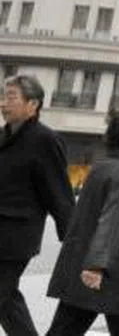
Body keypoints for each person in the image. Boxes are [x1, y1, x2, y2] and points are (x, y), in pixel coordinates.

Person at [45, 104, 119, 335]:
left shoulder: (101, 167)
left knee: (64, 329)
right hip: (116, 274)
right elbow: (114, 218)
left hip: (85, 269)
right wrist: (96, 265)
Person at [0, 75, 75, 336]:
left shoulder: (45, 140)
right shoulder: (3, 136)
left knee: (3, 294)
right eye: (3, 97)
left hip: (17, 236)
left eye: (11, 98)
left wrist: (73, 239)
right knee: (7, 300)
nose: (3, 104)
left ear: (33, 105)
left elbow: (59, 192)